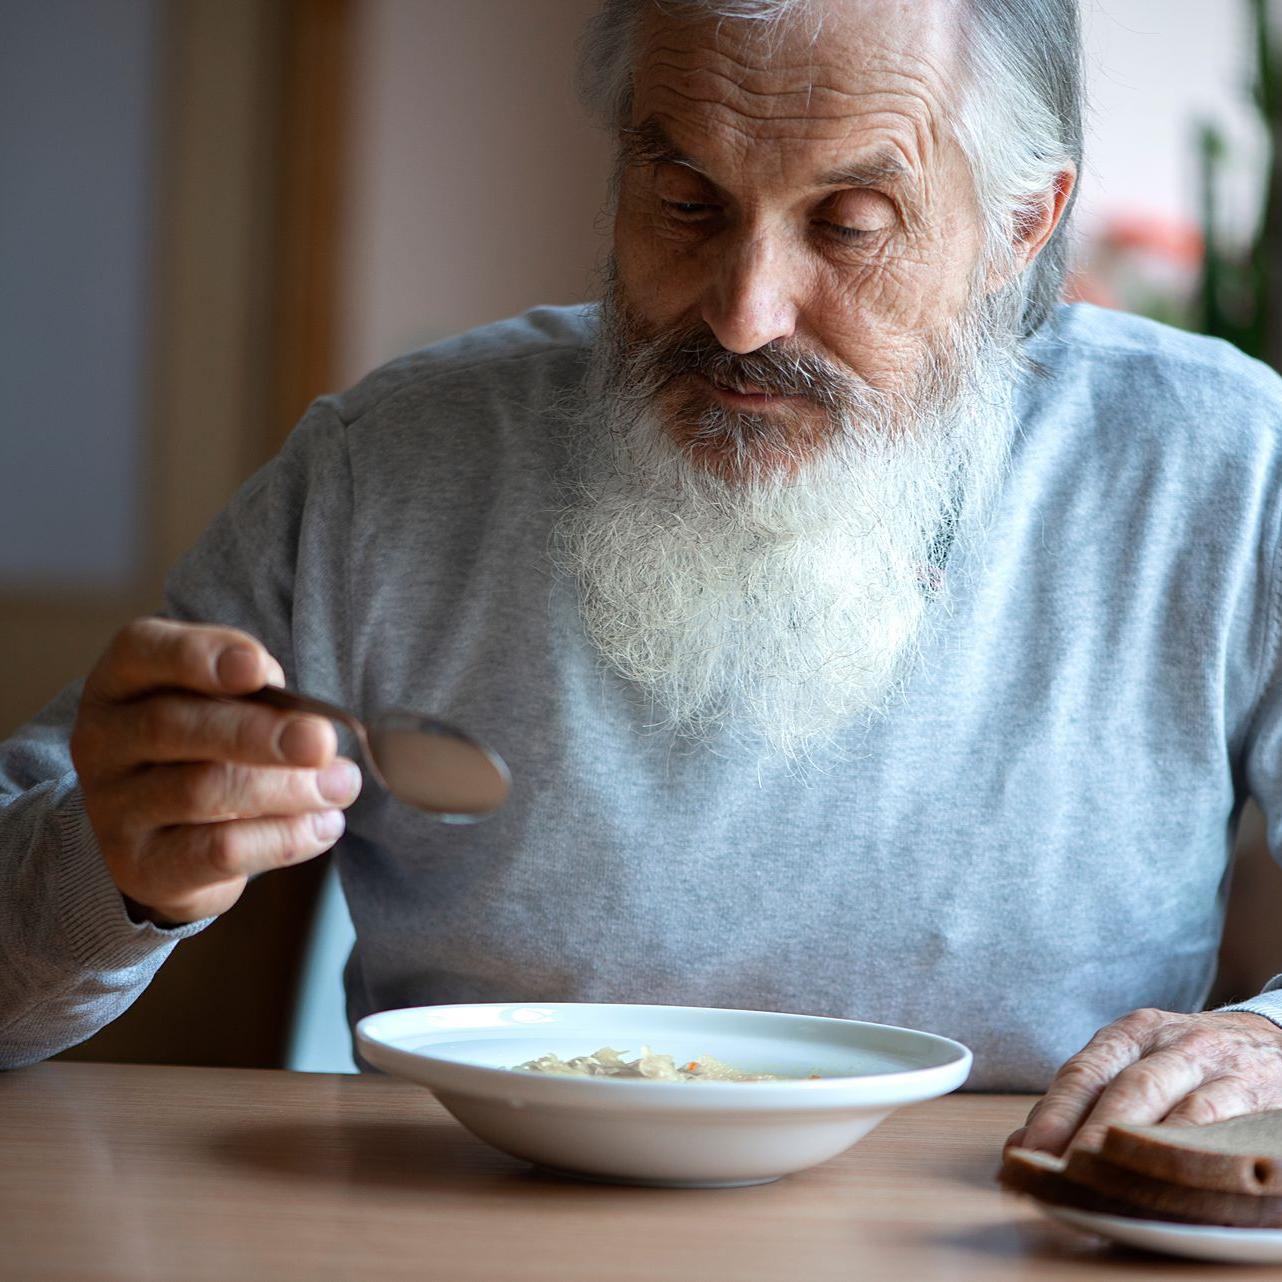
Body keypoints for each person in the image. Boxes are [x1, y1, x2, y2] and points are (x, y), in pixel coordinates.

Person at [5, 0, 1282, 1160]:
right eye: (683, 198)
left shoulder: (1222, 470)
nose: (742, 311)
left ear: (1020, 226)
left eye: (848, 224)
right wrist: (109, 870)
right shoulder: (385, 472)